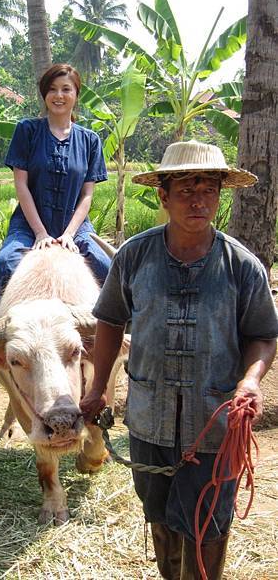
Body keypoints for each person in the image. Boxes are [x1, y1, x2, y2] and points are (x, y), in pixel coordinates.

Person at [80, 140, 278, 579]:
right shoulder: (135, 256)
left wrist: (250, 381)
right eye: (186, 189)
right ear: (163, 196)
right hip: (150, 418)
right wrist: (97, 389)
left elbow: (263, 335)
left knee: (208, 524)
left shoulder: (242, 266)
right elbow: (110, 321)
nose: (198, 199)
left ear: (220, 195)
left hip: (216, 423)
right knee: (160, 514)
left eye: (208, 188)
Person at [0, 63, 111, 400]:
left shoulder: (90, 140)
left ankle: (124, 342)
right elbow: (22, 186)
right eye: (53, 90)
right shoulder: (28, 131)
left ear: (76, 95)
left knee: (110, 270)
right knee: (5, 261)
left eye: (67, 89)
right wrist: (41, 234)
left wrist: (69, 234)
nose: (59, 96)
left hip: (75, 225)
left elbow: (88, 194)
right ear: (44, 95)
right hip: (29, 223)